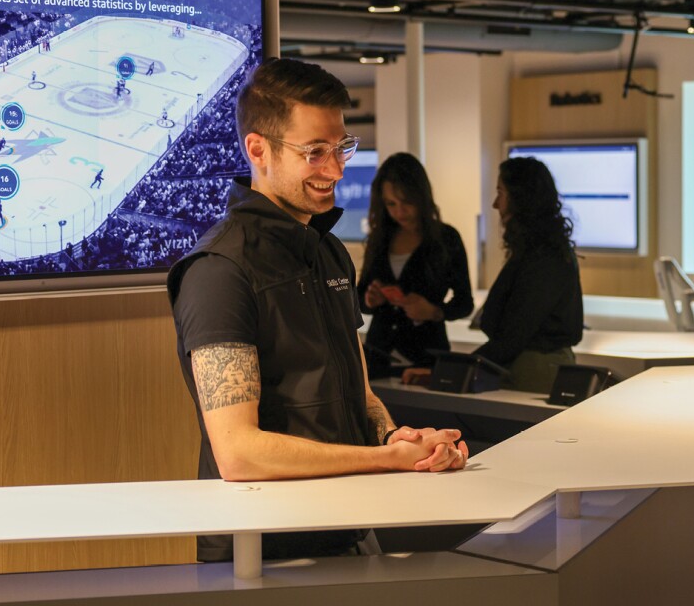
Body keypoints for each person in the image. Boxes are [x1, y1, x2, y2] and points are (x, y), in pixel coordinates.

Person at [167, 58, 467, 564]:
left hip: (345, 526)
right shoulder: (219, 269)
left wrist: (402, 439)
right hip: (262, 550)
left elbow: (360, 395)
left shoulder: (328, 251)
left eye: (341, 148)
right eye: (314, 152)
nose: (336, 169)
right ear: (258, 150)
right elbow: (239, 452)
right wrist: (385, 459)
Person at [404, 157, 583, 393]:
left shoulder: (543, 257)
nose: (495, 204)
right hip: (525, 367)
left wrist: (451, 369)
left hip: (532, 372)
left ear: (521, 199)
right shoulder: (539, 252)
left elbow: (513, 335)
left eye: (501, 192)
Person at [358, 152, 473, 377]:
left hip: (426, 358)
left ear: (421, 197)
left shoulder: (446, 239)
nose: (399, 212)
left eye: (407, 202)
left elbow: (464, 302)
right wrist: (370, 299)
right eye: (391, 204)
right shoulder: (380, 239)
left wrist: (434, 312)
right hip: (378, 356)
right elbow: (360, 298)